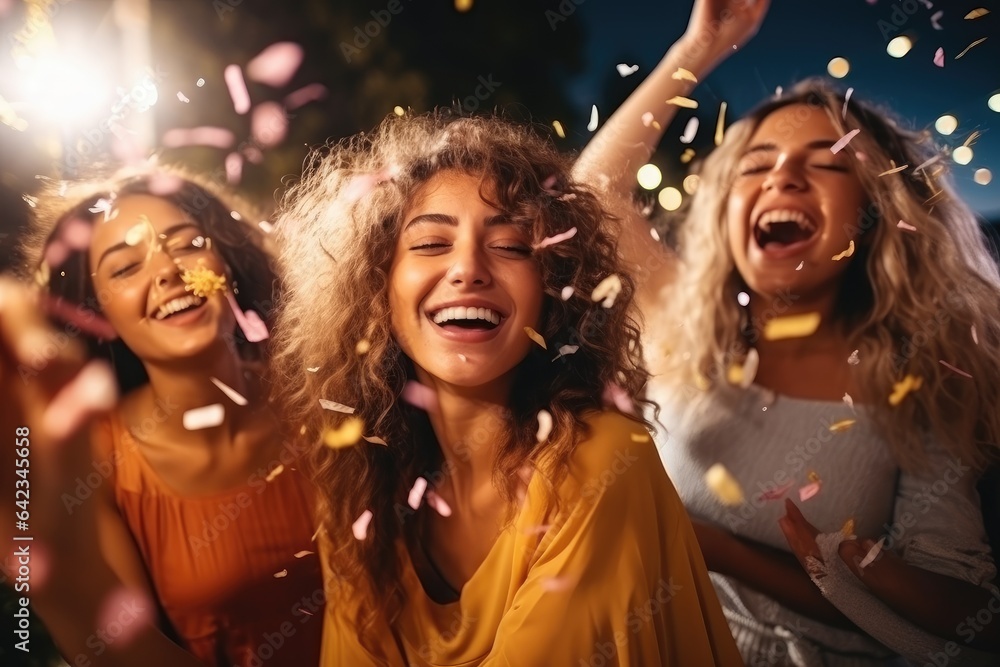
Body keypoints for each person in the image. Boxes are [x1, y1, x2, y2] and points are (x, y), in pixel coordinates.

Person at [573, 1, 1000, 664]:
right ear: (727, 206)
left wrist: (831, 558)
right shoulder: (684, 326)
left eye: (825, 162)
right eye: (756, 163)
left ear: (875, 211)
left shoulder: (917, 381)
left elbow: (971, 617)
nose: (782, 176)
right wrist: (699, 48)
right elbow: (592, 196)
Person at [267, 110, 744, 665]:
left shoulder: (603, 460)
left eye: (513, 246)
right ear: (377, 288)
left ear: (556, 286)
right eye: (429, 244)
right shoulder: (359, 485)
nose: (468, 268)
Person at [12, 165, 324, 667]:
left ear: (226, 261)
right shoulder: (94, 461)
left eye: (186, 243)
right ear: (96, 313)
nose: (166, 271)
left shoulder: (321, 391)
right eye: (124, 268)